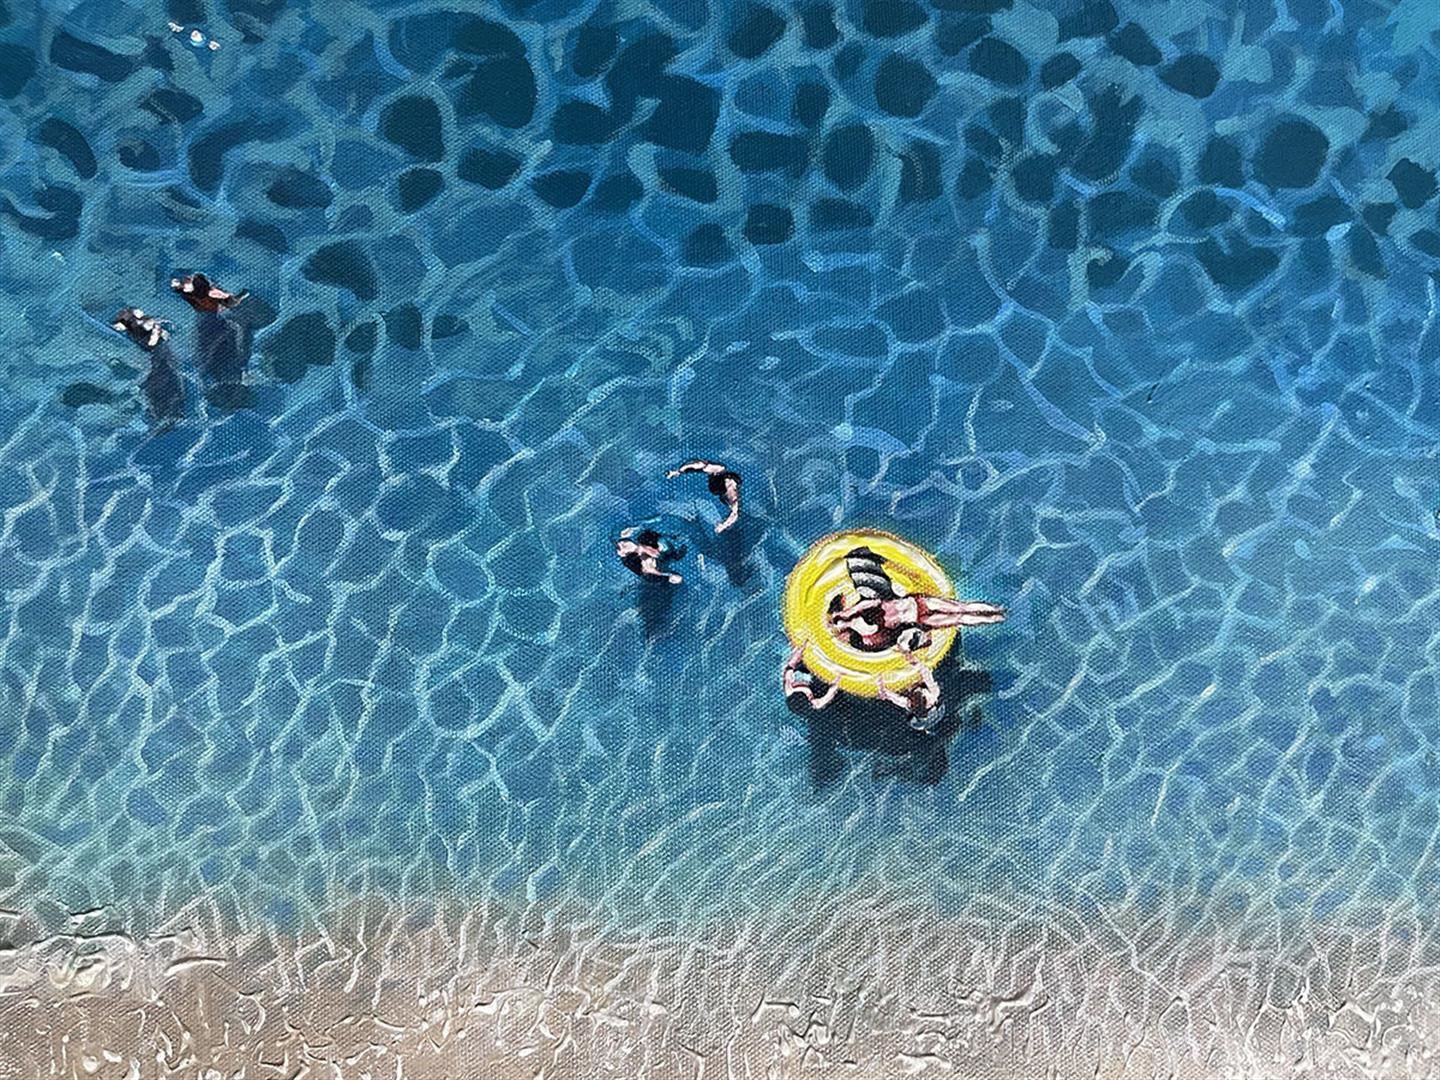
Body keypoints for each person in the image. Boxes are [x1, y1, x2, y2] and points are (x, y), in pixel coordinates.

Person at [829, 592, 1006, 650]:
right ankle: (994, 613)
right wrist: (848, 614)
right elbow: (873, 603)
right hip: (916, 611)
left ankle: (994, 615)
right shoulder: (865, 630)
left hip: (916, 610)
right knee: (959, 612)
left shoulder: (864, 624)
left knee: (959, 613)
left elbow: (873, 603)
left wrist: (848, 613)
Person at [111, 307, 184, 426]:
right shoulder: (135, 330)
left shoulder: (137, 328)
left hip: (159, 356)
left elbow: (152, 342)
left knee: (164, 381)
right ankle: (167, 414)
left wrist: (157, 331)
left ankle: (167, 414)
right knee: (165, 380)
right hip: (159, 356)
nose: (117, 328)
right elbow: (153, 339)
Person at [877, 641, 945, 732]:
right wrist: (908, 657)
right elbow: (924, 670)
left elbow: (888, 694)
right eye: (930, 704)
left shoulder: (908, 704)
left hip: (901, 675)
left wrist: (880, 683)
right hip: (912, 666)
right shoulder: (933, 693)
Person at [666, 459, 741, 533]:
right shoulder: (719, 471)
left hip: (718, 484)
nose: (730, 484)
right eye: (729, 483)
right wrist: (679, 471)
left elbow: (735, 513)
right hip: (717, 477)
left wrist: (723, 525)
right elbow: (699, 464)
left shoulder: (731, 495)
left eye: (731, 484)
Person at [616, 526, 685, 584]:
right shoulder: (643, 561)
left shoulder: (648, 540)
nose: (621, 544)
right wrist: (669, 576)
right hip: (650, 570)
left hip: (653, 557)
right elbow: (649, 570)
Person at [783, 642, 840, 711]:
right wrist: (838, 677)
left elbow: (791, 664)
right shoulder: (817, 702)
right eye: (810, 696)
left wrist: (803, 647)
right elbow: (832, 690)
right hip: (812, 685)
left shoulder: (789, 688)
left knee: (795, 663)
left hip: (800, 674)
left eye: (809, 696)